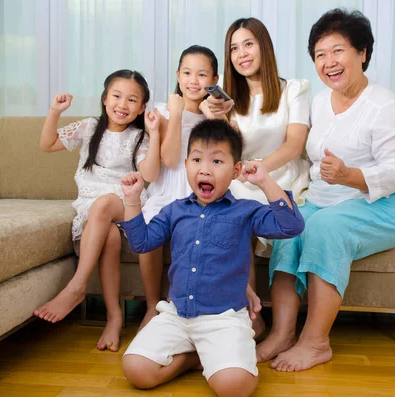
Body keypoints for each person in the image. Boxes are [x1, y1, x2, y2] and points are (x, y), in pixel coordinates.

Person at [258, 8, 395, 371]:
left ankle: (315, 343)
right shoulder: (318, 103)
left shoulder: (384, 105)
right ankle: (283, 333)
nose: (329, 62)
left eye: (338, 50)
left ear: (362, 53)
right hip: (322, 201)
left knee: (324, 229)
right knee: (287, 230)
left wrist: (350, 176)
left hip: (379, 205)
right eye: (320, 54)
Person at [117, 119, 304, 397]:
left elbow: (291, 226)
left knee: (234, 388)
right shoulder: (174, 211)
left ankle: (213, 357)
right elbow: (141, 243)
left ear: (237, 169)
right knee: (135, 370)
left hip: (224, 319)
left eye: (217, 161)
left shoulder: (246, 211)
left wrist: (264, 180)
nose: (204, 168)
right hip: (176, 316)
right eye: (196, 160)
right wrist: (132, 200)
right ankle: (197, 358)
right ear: (186, 164)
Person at [34, 70, 161, 352]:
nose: (122, 104)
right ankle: (114, 318)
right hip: (90, 204)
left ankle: (77, 287)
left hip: (124, 201)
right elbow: (47, 144)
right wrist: (55, 111)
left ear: (142, 107)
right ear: (105, 99)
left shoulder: (140, 137)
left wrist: (154, 133)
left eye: (132, 100)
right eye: (117, 96)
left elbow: (150, 173)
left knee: (104, 203)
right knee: (111, 239)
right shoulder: (90, 127)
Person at [204, 17, 311, 335]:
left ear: (264, 46)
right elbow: (232, 151)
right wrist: (219, 119)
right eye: (234, 48)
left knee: (252, 209)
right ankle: (249, 318)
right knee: (236, 217)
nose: (241, 53)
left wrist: (262, 169)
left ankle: (274, 323)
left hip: (281, 176)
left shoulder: (293, 89)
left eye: (248, 43)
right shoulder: (227, 100)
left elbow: (295, 143)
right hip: (242, 176)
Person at [137, 45, 220, 331]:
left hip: (197, 194)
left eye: (201, 74)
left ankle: (183, 309)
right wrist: (175, 114)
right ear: (177, 74)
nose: (193, 80)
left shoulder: (214, 115)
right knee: (149, 226)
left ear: (215, 79)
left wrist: (212, 118)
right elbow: (170, 158)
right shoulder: (162, 110)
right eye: (186, 73)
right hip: (165, 192)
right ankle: (151, 306)